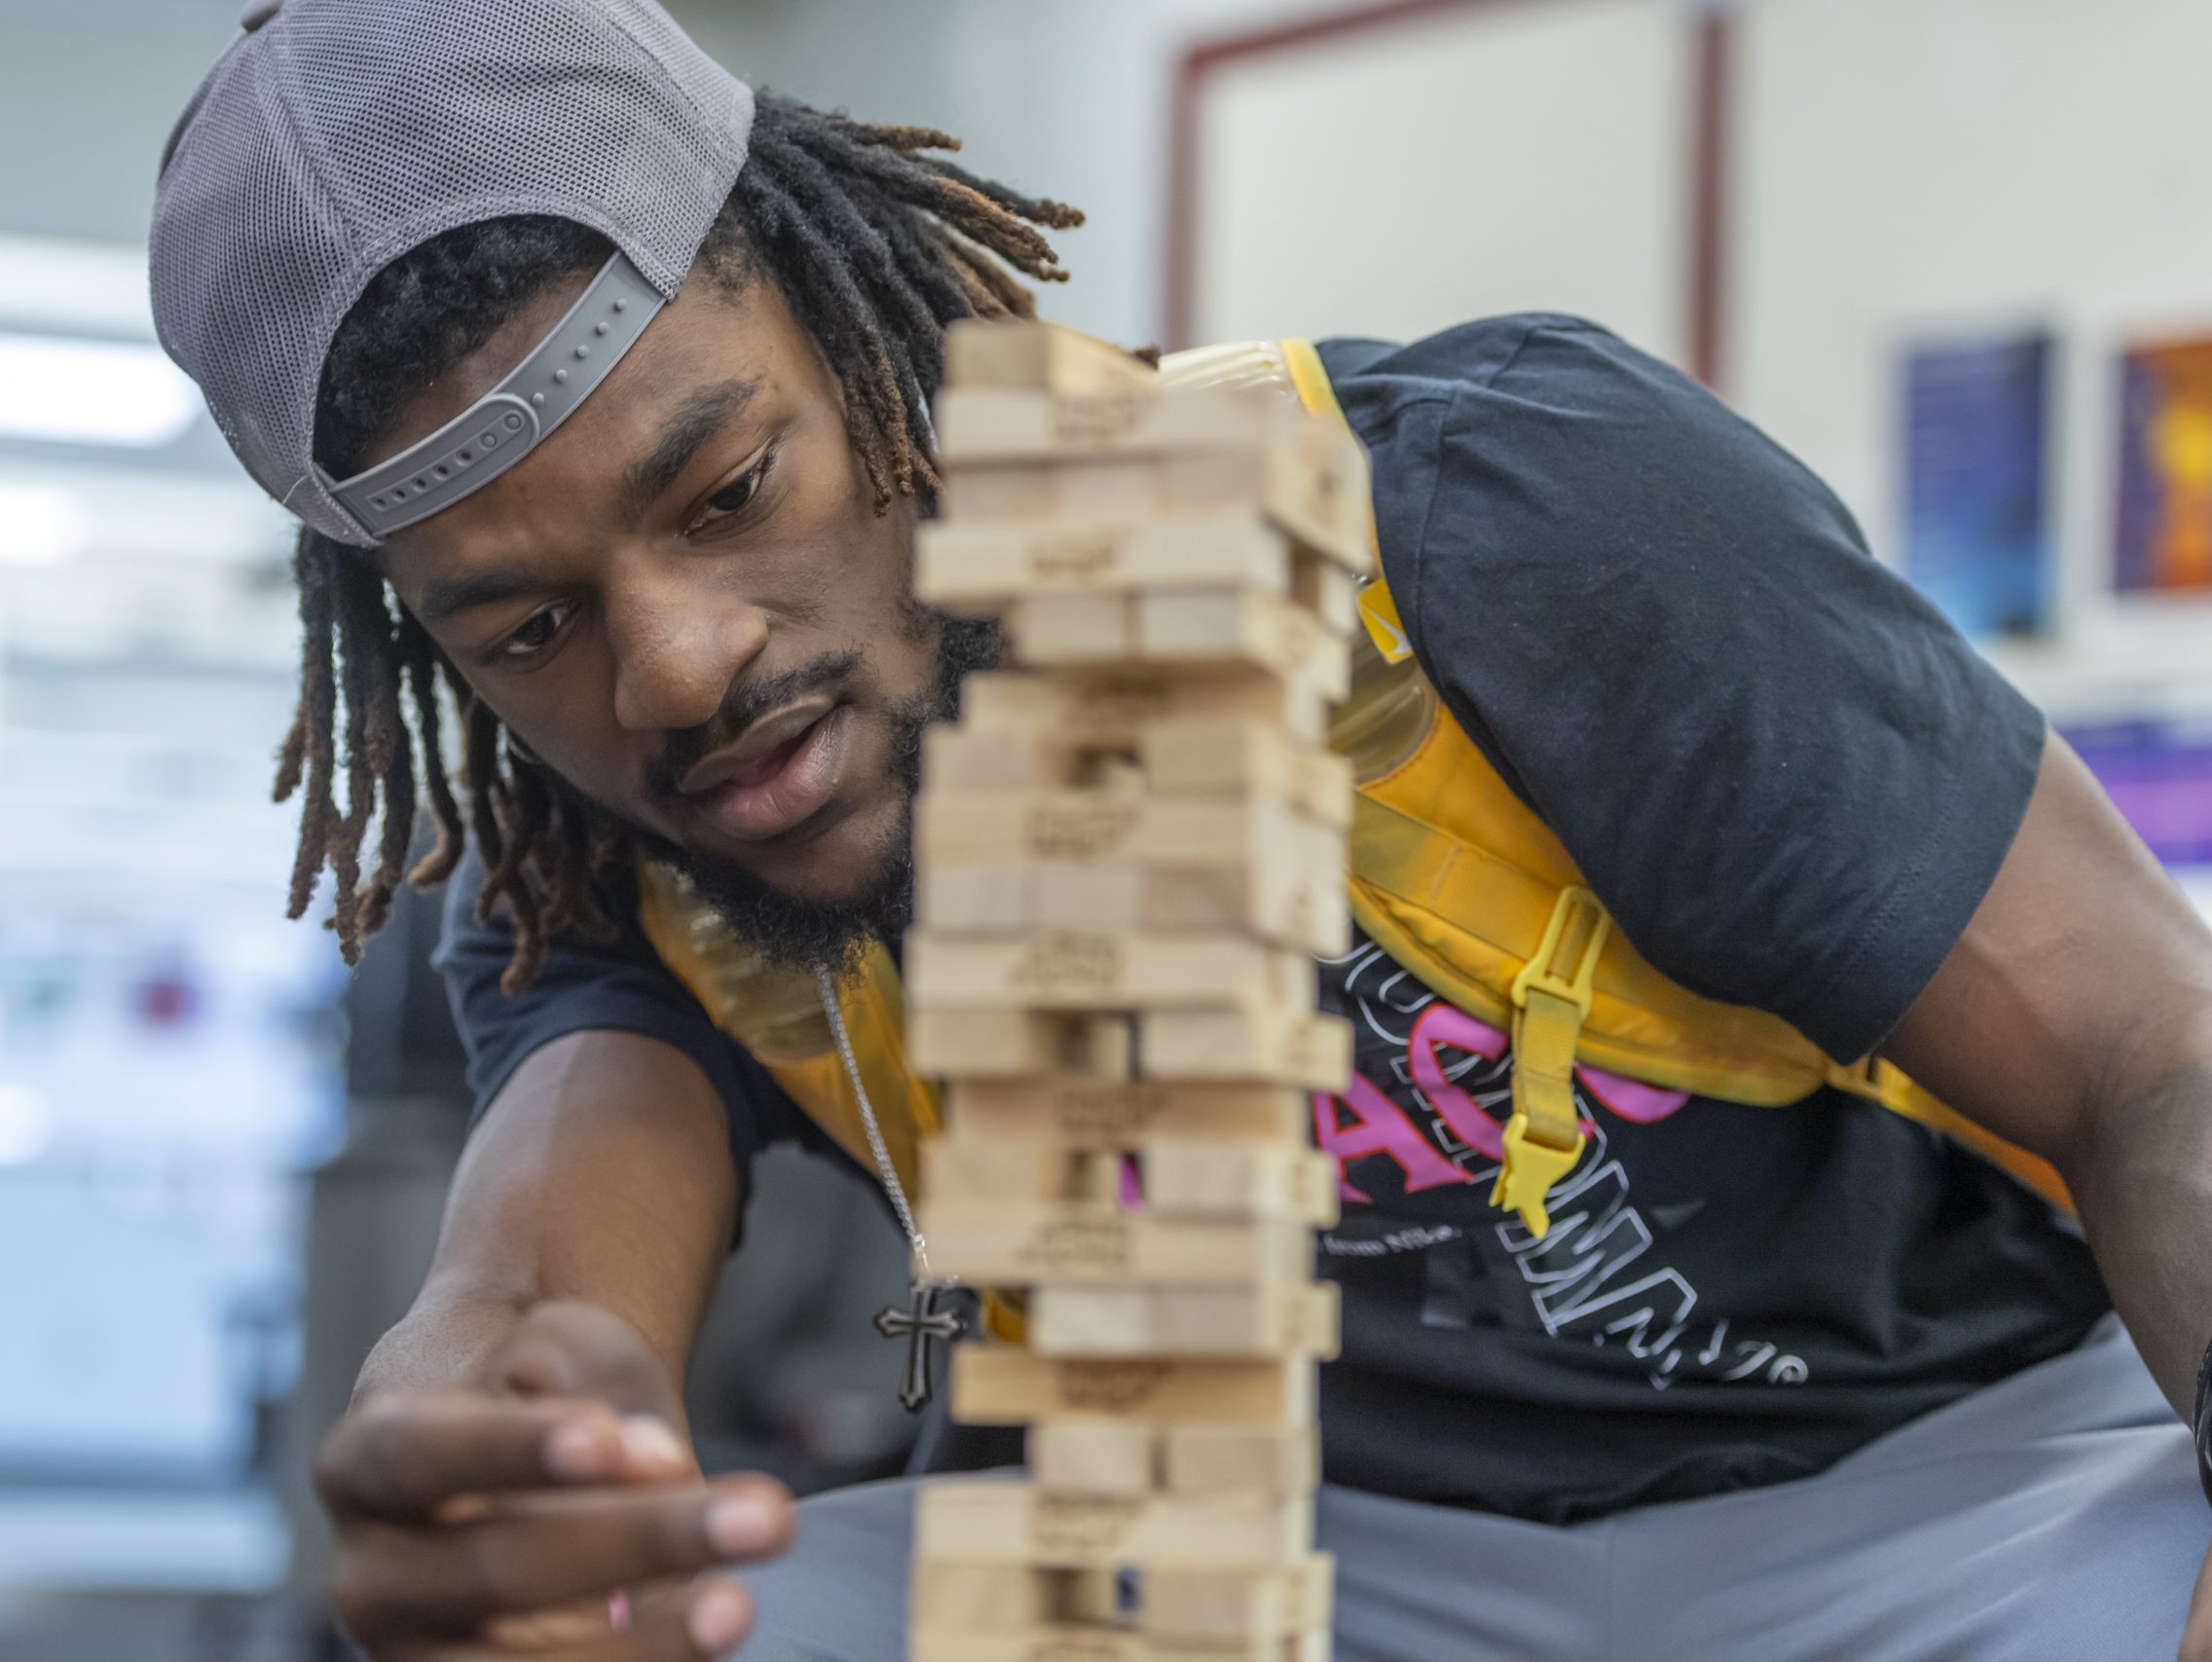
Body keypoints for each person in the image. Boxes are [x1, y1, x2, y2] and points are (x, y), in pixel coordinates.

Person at [149, 2, 2212, 1657]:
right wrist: (497, 1477)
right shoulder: (593, 838)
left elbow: (2148, 1048)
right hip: (1251, 1559)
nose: (671, 669)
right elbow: (532, 1292)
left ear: (894, 337)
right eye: (525, 625)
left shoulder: (1492, 517)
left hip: (1950, 1498)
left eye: (725, 489)